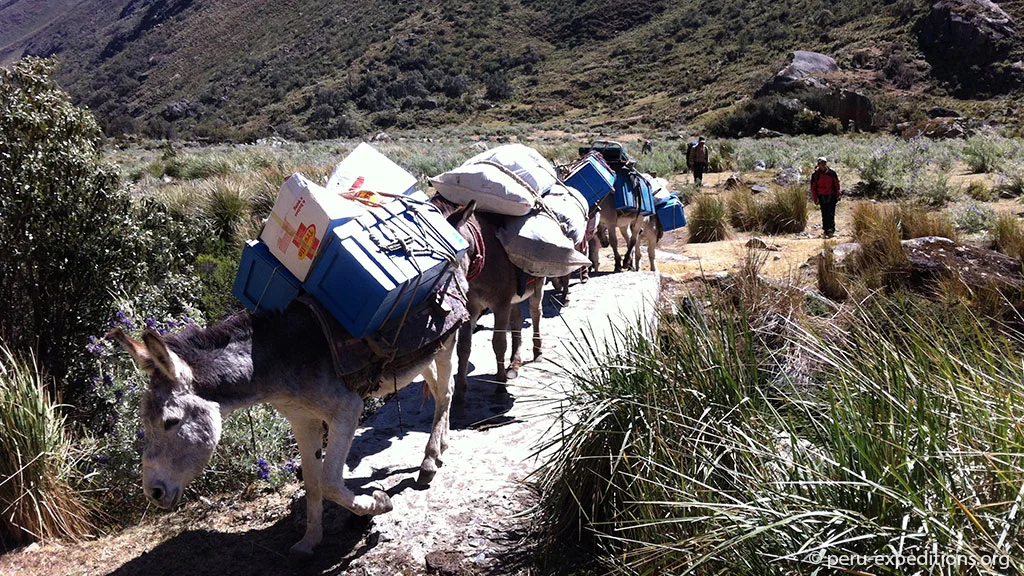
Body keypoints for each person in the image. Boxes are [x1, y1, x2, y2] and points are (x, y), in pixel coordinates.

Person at [810, 156, 842, 238]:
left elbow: (837, 184)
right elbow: (813, 188)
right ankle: (826, 229)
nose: (823, 165)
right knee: (824, 213)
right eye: (821, 164)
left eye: (824, 163)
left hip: (831, 195)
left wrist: (838, 194)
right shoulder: (815, 175)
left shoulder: (832, 173)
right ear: (818, 164)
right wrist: (815, 198)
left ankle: (831, 230)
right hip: (821, 196)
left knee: (831, 213)